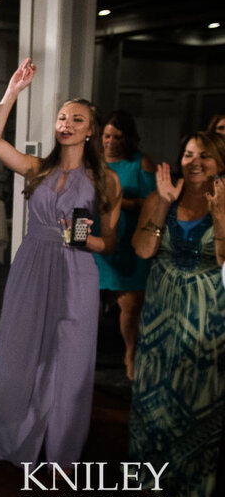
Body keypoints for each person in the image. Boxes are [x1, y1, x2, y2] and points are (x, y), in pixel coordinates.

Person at [0, 58, 121, 468]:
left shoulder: (104, 180)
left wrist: (77, 236)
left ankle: (59, 448)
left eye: (77, 119)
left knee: (68, 360)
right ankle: (13, 437)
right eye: (62, 117)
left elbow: (108, 243)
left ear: (91, 129)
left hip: (76, 271)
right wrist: (11, 94)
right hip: (31, 266)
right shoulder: (38, 168)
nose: (67, 124)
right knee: (19, 352)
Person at [129, 132, 225, 497]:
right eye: (188, 154)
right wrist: (163, 206)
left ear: (220, 163)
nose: (195, 162)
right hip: (160, 309)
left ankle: (192, 486)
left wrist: (218, 215)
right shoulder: (160, 196)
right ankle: (147, 478)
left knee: (199, 391)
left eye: (206, 156)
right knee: (154, 389)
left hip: (207, 313)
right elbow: (143, 249)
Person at [95, 110, 155, 379]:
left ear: (127, 138)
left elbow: (153, 204)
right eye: (106, 135)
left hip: (129, 238)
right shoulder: (93, 162)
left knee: (129, 305)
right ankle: (85, 354)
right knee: (88, 303)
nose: (110, 141)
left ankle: (130, 353)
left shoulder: (140, 163)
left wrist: (119, 201)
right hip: (95, 237)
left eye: (116, 137)